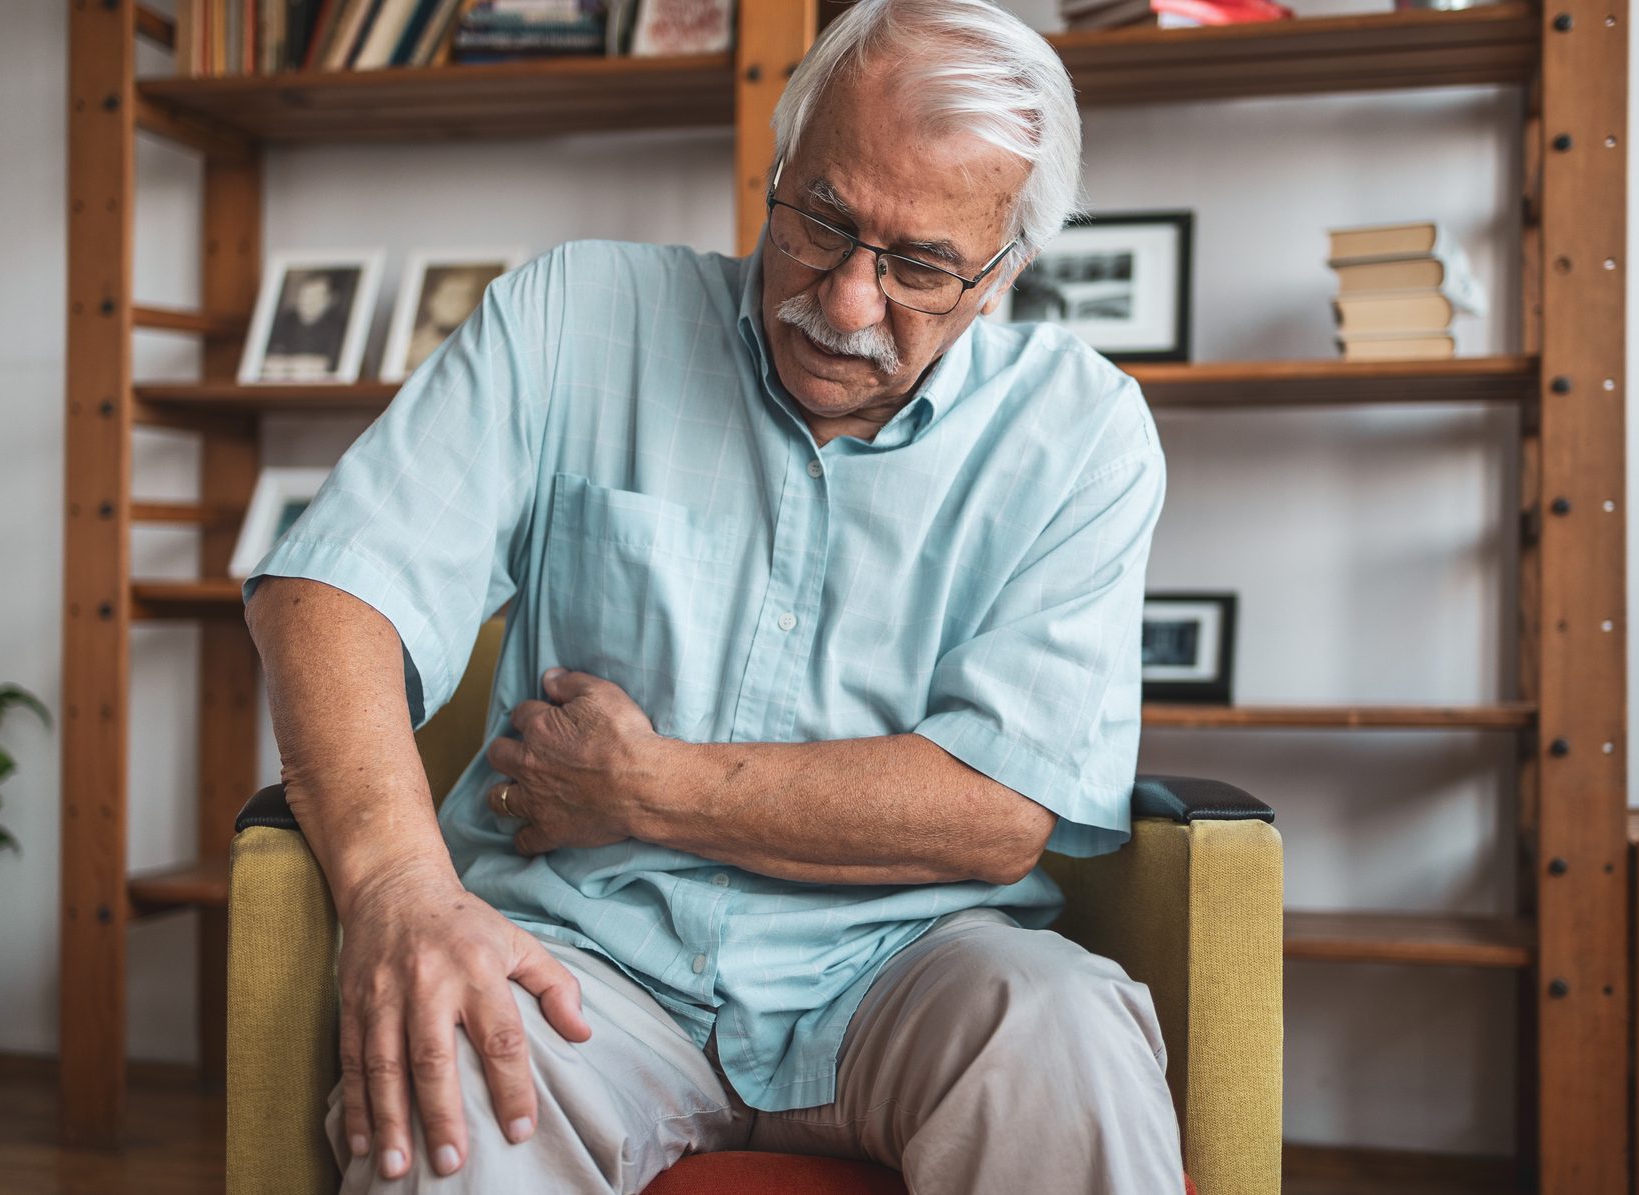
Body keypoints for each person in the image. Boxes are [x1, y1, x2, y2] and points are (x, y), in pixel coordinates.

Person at [240, 1, 1177, 1191]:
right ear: (777, 170)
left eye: (921, 267)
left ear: (999, 274)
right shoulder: (572, 314)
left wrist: (643, 787)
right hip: (584, 959)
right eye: (820, 222)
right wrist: (399, 890)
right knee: (453, 1080)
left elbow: (996, 810)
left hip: (907, 965)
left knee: (1067, 1034)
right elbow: (329, 591)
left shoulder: (1080, 433)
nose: (843, 302)